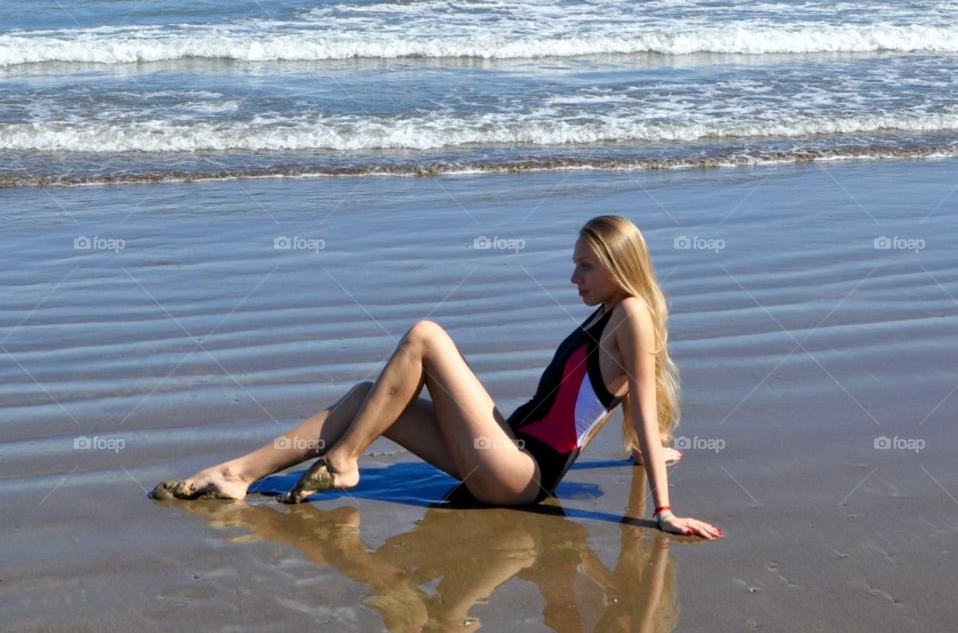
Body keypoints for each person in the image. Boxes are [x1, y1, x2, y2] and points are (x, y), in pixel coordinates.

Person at [152, 215, 724, 540]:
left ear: (619, 267)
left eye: (584, 265)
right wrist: (640, 454)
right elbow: (613, 399)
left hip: (521, 475)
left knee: (426, 335)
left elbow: (641, 406)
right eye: (575, 262)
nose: (571, 274)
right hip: (506, 446)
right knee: (365, 397)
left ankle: (345, 461)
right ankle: (238, 474)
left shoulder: (632, 315)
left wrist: (663, 510)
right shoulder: (610, 312)